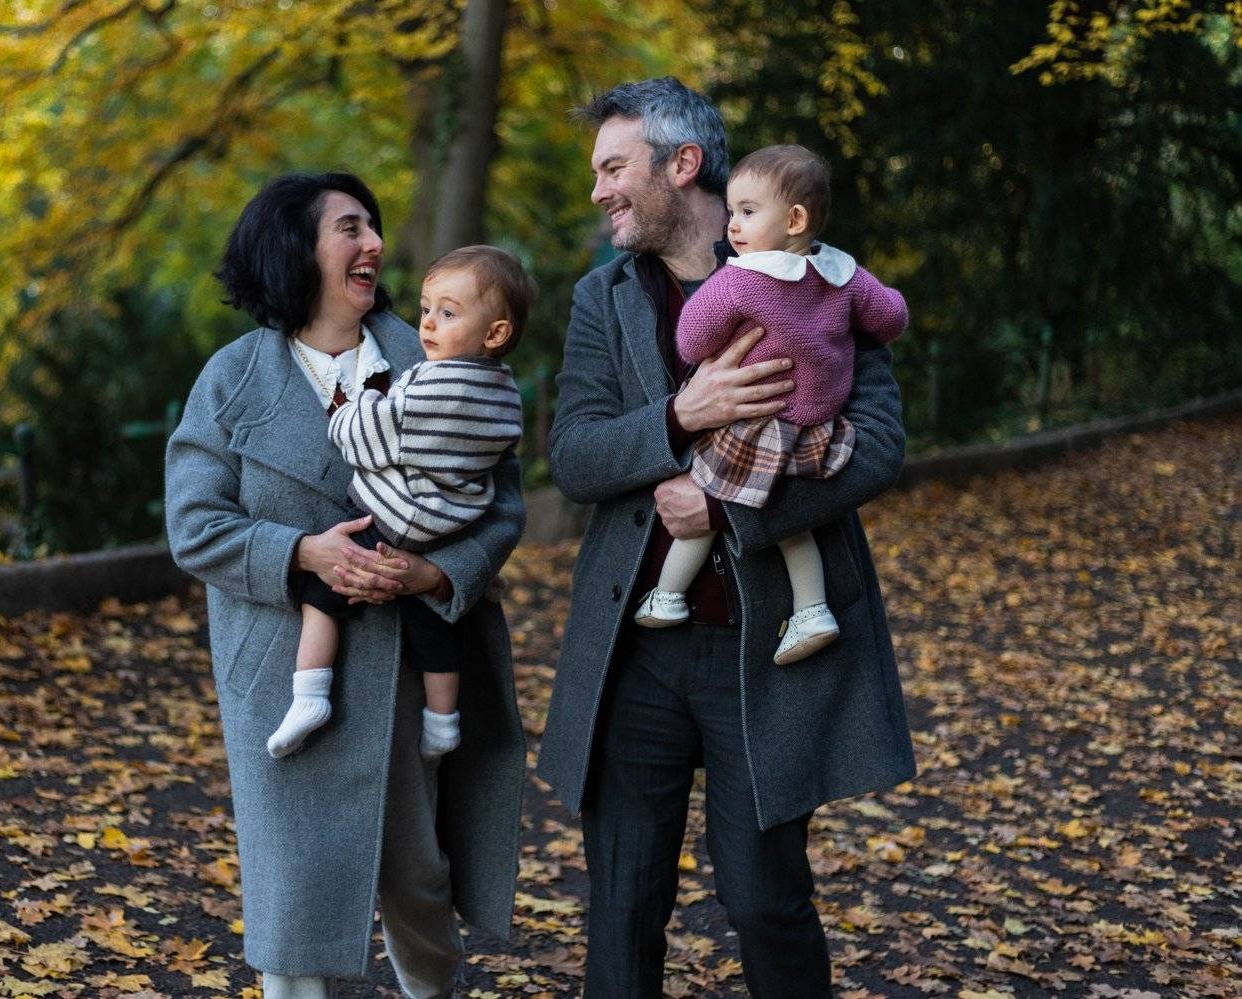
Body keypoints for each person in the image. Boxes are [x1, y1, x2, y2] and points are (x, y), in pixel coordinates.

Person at [535, 77, 917, 998]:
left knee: (765, 901)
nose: (598, 190)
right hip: (636, 647)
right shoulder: (602, 297)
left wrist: (728, 507)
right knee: (623, 903)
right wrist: (681, 415)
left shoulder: (821, 278)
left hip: (771, 641)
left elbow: (877, 445)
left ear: (683, 164)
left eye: (613, 168)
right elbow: (573, 455)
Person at [165, 172, 526, 999]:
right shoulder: (230, 377)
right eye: (350, 227)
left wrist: (435, 572)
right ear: (295, 249)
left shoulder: (440, 352)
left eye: (373, 226)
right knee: (290, 896)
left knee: (419, 875)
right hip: (283, 676)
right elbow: (194, 525)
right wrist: (303, 553)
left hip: (411, 665)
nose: (374, 244)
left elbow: (503, 505)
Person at [632, 144, 908, 671]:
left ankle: (667, 596)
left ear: (795, 219)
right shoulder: (843, 275)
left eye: (748, 211)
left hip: (755, 425)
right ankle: (813, 610)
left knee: (704, 495)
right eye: (732, 211)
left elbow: (691, 340)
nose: (733, 226)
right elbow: (891, 318)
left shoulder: (741, 280)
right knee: (790, 526)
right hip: (818, 427)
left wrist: (717, 315)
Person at [267, 245, 533, 761]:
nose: (428, 323)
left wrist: (352, 406)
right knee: (435, 626)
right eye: (427, 309)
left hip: (390, 518)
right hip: (447, 524)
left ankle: (309, 695)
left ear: (495, 333)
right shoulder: (503, 391)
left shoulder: (436, 382)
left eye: (447, 313)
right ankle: (443, 722)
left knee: (321, 597)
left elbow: (369, 436)